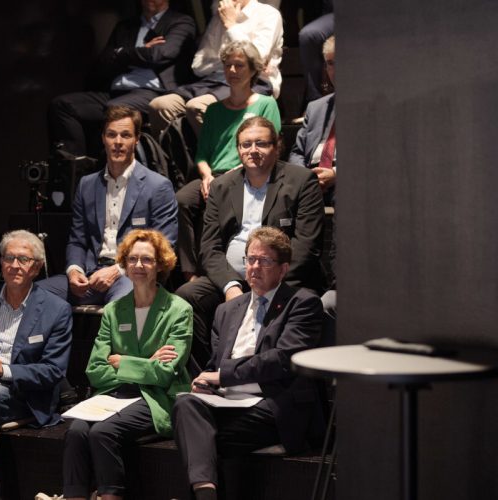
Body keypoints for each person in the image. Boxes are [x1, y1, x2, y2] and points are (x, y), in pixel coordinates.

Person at [172, 227, 325, 500]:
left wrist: (222, 375)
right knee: (186, 403)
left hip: (274, 404)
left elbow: (282, 359)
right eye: (250, 259)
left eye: (264, 261)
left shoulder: (302, 303)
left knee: (202, 442)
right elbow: (214, 363)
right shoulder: (226, 309)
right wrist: (205, 382)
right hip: (228, 403)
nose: (254, 267)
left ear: (283, 268)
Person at [176, 116, 324, 371]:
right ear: (238, 149)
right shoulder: (222, 186)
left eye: (261, 144)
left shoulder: (301, 181)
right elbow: (209, 247)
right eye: (245, 145)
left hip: (280, 280)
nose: (252, 151)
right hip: (233, 278)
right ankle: (208, 376)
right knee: (186, 298)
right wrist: (230, 285)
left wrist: (266, 282)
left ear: (276, 147)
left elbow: (306, 244)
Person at [62, 229, 192, 500]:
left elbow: (166, 374)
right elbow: (95, 371)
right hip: (113, 395)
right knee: (75, 430)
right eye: (132, 259)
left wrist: (122, 362)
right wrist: (145, 366)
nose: (138, 266)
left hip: (154, 398)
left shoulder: (179, 309)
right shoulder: (113, 310)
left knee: (102, 432)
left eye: (147, 260)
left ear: (160, 264)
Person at [0, 230, 72, 500]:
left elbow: (53, 371)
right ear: (1, 261)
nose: (15, 265)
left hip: (18, 392)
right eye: (9, 257)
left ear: (37, 267)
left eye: (23, 259)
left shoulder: (57, 310)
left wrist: (1, 369)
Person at [38, 106, 178, 306]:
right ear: (103, 138)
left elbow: (164, 246)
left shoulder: (158, 186)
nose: (118, 142)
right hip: (90, 275)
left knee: (123, 304)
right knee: (35, 295)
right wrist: (74, 270)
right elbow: (78, 240)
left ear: (136, 139)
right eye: (112, 135)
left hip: (131, 276)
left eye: (125, 135)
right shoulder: (87, 185)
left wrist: (118, 270)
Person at [176, 40, 281, 281]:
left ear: (253, 69)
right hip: (214, 174)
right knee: (182, 199)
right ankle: (190, 271)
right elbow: (202, 154)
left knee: (220, 195)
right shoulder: (214, 110)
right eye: (228, 65)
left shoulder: (266, 103)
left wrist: (227, 176)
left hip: (248, 172)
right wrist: (206, 175)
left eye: (239, 65)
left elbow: (270, 148)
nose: (232, 71)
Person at [48, 0, 196, 157]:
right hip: (116, 91)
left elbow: (160, 54)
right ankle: (75, 167)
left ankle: (107, 168)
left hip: (151, 92)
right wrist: (141, 51)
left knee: (115, 109)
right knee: (62, 105)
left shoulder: (180, 22)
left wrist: (121, 53)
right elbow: (103, 61)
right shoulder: (125, 26)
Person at [148, 0, 283, 138]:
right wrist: (229, 62)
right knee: (160, 105)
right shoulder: (219, 17)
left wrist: (231, 25)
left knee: (197, 106)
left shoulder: (268, 14)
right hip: (213, 81)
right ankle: (182, 157)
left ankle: (220, 157)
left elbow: (254, 60)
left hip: (251, 82)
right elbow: (198, 65)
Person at [289, 36, 336, 206]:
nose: (336, 69)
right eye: (330, 63)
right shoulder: (315, 107)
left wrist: (336, 174)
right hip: (311, 179)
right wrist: (306, 177)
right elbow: (297, 153)